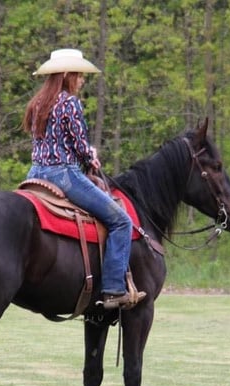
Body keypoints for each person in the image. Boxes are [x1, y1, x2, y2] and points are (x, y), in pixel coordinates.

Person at [23, 48, 145, 310]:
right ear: (67, 74)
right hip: (64, 176)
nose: (82, 80)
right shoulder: (69, 103)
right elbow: (79, 145)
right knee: (121, 221)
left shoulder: (36, 103)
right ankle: (113, 289)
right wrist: (91, 158)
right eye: (79, 75)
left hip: (35, 174)